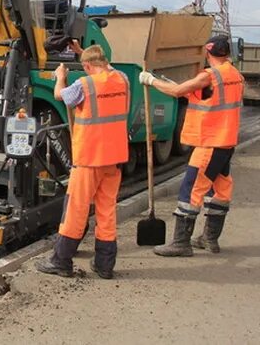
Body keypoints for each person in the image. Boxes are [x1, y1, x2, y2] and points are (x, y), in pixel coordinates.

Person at [140, 35, 243, 256]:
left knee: (191, 190)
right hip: (226, 143)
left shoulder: (210, 75)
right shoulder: (235, 74)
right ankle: (209, 240)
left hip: (209, 143)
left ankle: (181, 244)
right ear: (226, 53)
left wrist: (150, 80)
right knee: (221, 190)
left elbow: (178, 92)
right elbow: (201, 94)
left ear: (208, 53)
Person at [36, 44, 129, 279]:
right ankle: (105, 265)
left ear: (87, 67)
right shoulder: (123, 80)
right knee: (107, 211)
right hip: (114, 158)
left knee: (76, 210)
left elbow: (60, 96)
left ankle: (61, 261)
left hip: (89, 159)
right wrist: (82, 51)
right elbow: (106, 66)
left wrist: (60, 77)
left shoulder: (84, 85)